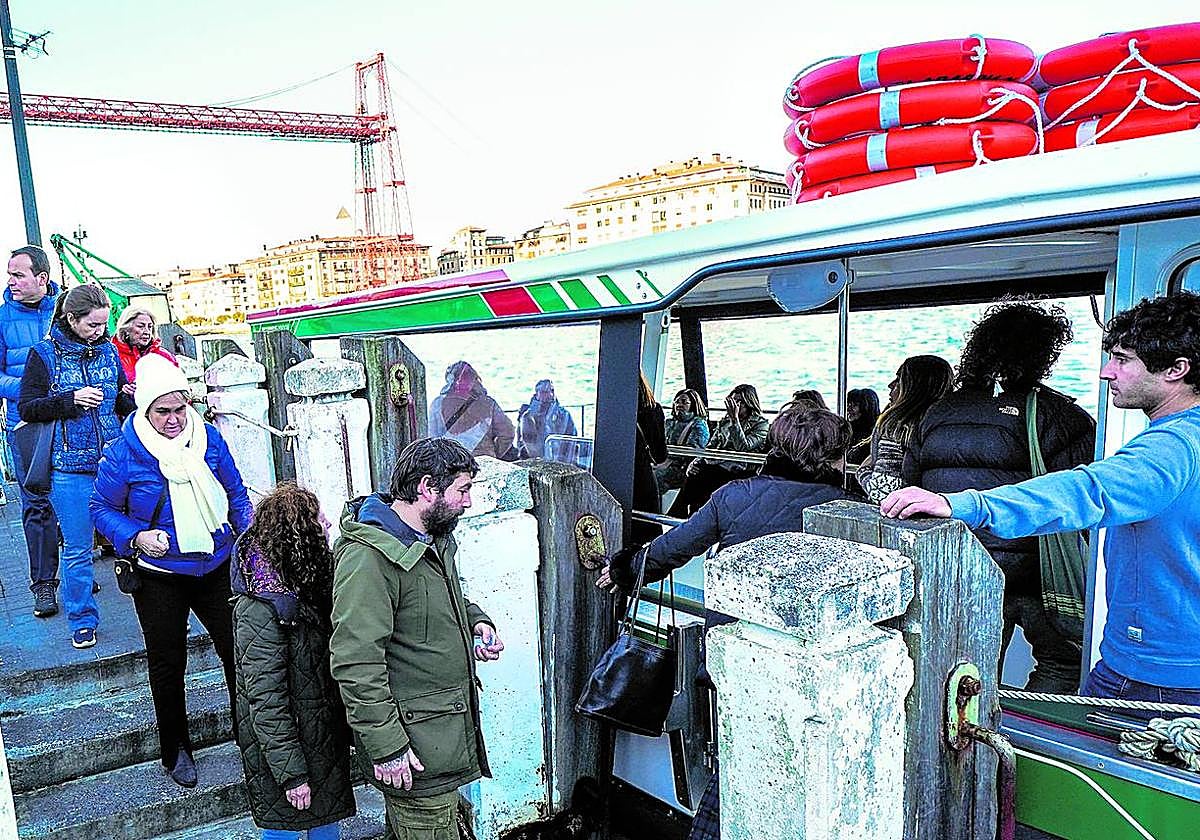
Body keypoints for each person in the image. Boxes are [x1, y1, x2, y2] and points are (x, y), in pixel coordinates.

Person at [884, 291, 1200, 709]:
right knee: (1061, 661)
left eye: (1122, 359)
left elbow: (1087, 491)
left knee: (960, 680)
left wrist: (965, 504)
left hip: (1154, 670)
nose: (1107, 372)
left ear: (1177, 370)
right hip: (1047, 588)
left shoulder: (1172, 447)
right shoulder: (1064, 417)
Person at [597, 407, 860, 840]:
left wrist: (624, 569)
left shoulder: (734, 496)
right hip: (816, 674)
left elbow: (669, 549)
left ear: (776, 446)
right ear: (835, 457)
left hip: (733, 664)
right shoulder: (850, 511)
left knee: (735, 771)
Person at [901, 300, 1096, 692]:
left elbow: (910, 485)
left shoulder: (936, 412)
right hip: (1033, 574)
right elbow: (1080, 498)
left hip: (958, 566)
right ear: (1042, 356)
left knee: (965, 667)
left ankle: (974, 730)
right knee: (1065, 658)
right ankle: (1029, 729)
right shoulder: (1058, 416)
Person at [90, 353, 253, 786]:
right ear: (145, 410)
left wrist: (252, 541)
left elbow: (236, 495)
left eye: (181, 408)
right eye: (163, 411)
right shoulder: (124, 452)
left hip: (217, 563)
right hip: (159, 572)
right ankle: (175, 750)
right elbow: (101, 508)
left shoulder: (210, 439)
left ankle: (250, 736)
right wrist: (136, 536)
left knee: (238, 653)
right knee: (168, 662)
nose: (174, 419)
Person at [329, 437, 504, 839]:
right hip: (415, 750)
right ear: (428, 488)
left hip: (438, 739)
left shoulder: (429, 539)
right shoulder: (368, 559)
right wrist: (387, 746)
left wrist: (476, 621)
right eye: (463, 490)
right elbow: (355, 662)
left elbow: (441, 596)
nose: (469, 501)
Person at [232, 483, 355, 840]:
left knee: (325, 823)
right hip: (285, 752)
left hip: (318, 738)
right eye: (319, 518)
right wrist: (291, 773)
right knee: (283, 830)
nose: (328, 523)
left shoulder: (308, 579)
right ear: (297, 532)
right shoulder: (259, 607)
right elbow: (265, 698)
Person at [19, 284, 135, 649]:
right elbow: (27, 408)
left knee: (137, 541)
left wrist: (127, 397)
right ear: (71, 319)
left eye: (103, 324)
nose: (100, 331)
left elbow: (116, 401)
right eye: (93, 325)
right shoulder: (44, 354)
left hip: (115, 462)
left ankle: (158, 612)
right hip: (69, 468)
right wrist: (69, 401)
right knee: (78, 549)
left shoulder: (108, 351)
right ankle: (83, 619)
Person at [1, 245, 61, 618]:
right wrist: (31, 389)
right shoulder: (1, 319)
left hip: (67, 421)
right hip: (24, 425)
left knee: (74, 500)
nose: (10, 282)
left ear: (42, 278)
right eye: (9, 274)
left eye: (18, 274)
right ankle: (43, 585)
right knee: (36, 505)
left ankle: (75, 573)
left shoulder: (67, 312)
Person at [856, 356, 954, 504]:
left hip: (908, 518)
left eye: (899, 379)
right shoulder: (951, 424)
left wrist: (862, 471)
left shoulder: (897, 427)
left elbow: (882, 493)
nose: (890, 385)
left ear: (913, 387)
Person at [667, 384, 769, 517]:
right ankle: (687, 515)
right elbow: (711, 446)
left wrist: (735, 420)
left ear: (749, 403)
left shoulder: (761, 424)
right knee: (697, 472)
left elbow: (743, 447)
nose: (736, 406)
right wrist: (696, 461)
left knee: (703, 476)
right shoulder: (724, 421)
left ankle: (679, 514)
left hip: (740, 468)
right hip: (718, 464)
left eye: (740, 402)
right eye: (734, 402)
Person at [429, 361, 516, 459]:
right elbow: (508, 432)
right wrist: (492, 455)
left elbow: (433, 440)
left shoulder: (437, 404)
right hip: (482, 462)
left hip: (452, 464)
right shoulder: (488, 403)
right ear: (474, 379)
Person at [632, 373, 668, 544]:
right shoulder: (654, 410)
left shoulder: (612, 412)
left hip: (615, 482)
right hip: (644, 482)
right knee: (648, 538)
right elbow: (660, 456)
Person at [654, 388, 710, 493]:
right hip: (663, 462)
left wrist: (668, 459)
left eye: (684, 402)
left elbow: (694, 452)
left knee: (653, 478)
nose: (679, 405)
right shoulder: (669, 422)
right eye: (677, 402)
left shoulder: (699, 425)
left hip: (681, 467)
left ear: (693, 405)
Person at [112, 305, 178, 387]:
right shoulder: (112, 356)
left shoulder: (163, 356)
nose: (147, 332)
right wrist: (124, 393)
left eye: (150, 327)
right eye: (140, 326)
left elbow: (181, 390)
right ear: (126, 329)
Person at [515, 378, 577, 459]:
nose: (550, 394)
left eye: (552, 390)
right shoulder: (526, 416)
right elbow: (523, 441)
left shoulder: (565, 414)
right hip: (534, 460)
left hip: (559, 459)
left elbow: (572, 440)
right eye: (544, 392)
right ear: (537, 394)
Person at [844, 387, 880, 465]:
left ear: (867, 408)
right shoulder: (847, 430)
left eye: (855, 405)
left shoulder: (875, 434)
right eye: (848, 404)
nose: (848, 408)